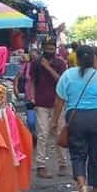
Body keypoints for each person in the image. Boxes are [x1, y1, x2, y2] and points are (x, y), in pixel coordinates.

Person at [52, 44, 97, 192]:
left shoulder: (67, 76)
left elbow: (59, 101)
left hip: (76, 119)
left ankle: (82, 185)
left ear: (77, 59)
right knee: (96, 156)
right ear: (93, 59)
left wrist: (54, 121)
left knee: (78, 155)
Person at [31, 37, 68, 178]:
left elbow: (61, 81)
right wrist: (32, 97)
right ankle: (41, 165)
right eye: (47, 48)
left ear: (55, 49)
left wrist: (47, 67)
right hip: (41, 103)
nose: (49, 51)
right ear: (43, 48)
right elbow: (33, 81)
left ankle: (63, 164)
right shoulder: (36, 63)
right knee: (42, 134)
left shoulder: (60, 63)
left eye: (51, 48)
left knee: (59, 133)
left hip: (58, 103)